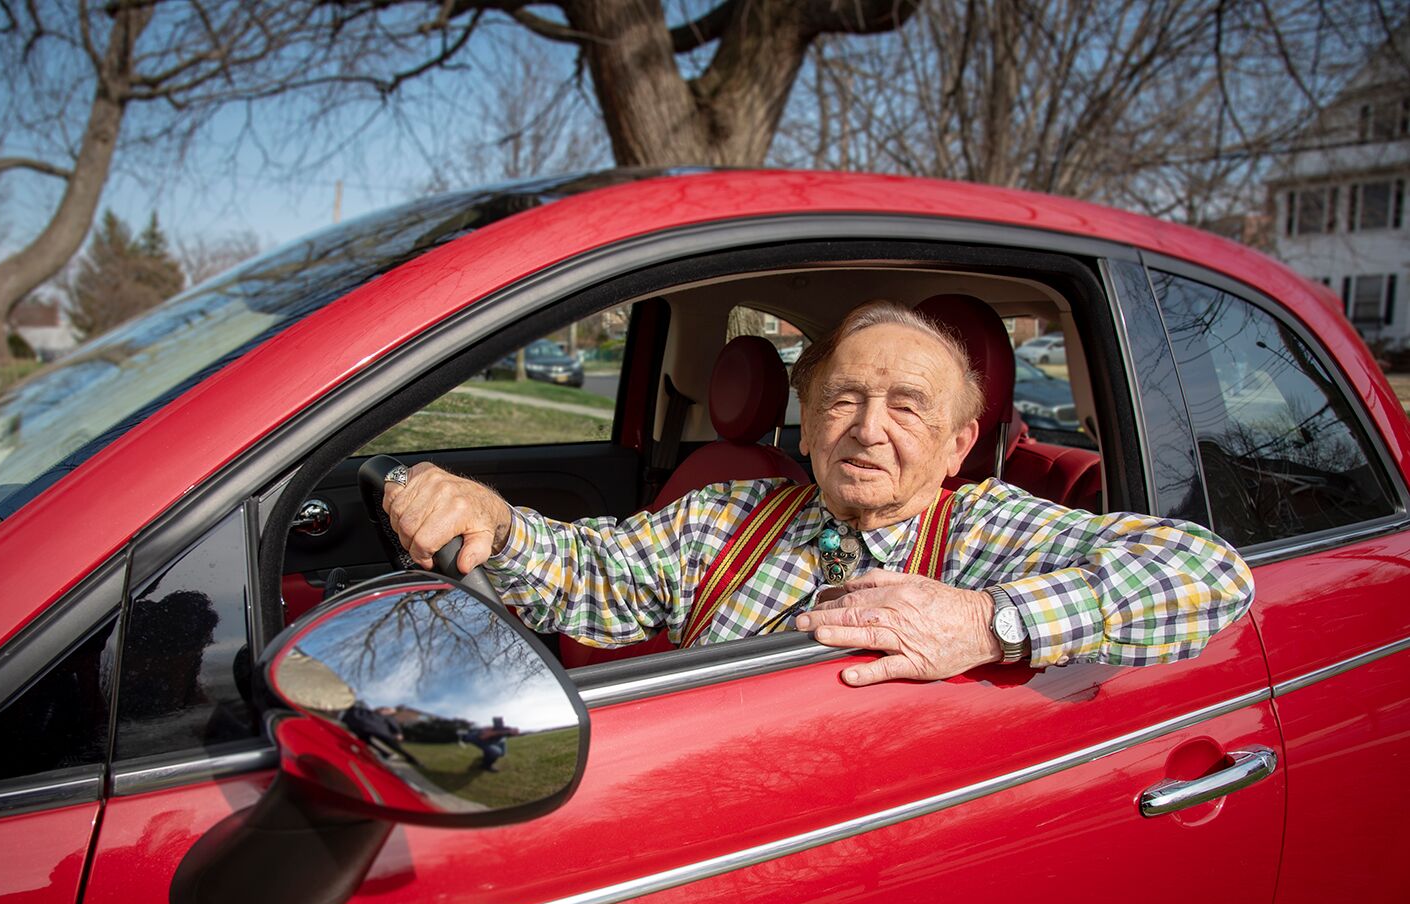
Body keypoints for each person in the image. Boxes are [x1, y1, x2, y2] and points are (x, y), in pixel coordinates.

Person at [380, 300, 1254, 686]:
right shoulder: (730, 513)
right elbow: (595, 570)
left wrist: (988, 624)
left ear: (957, 447)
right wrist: (493, 517)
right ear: (806, 420)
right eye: (844, 398)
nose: (868, 428)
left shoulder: (987, 530)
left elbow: (1209, 573)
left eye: (907, 408)